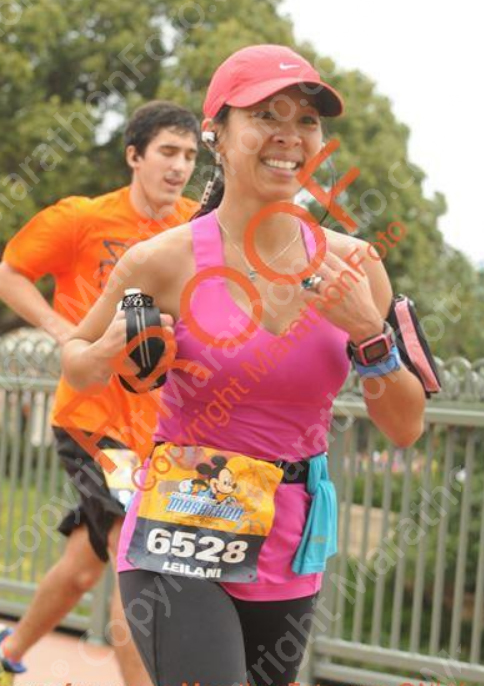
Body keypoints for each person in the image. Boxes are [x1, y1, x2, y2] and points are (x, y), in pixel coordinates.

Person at [61, 45, 431, 685]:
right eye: (265, 115)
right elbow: (76, 361)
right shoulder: (163, 259)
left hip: (290, 543)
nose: (290, 135)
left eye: (307, 121)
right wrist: (104, 351)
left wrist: (370, 334)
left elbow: (406, 427)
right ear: (217, 134)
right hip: (179, 531)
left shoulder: (356, 264)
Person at [0, 101, 200, 686]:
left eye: (189, 155)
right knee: (138, 569)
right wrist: (64, 332)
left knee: (83, 569)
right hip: (93, 421)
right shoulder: (81, 218)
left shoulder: (195, 229)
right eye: (167, 152)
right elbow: (6, 274)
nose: (179, 167)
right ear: (134, 156)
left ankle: (6, 654)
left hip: (162, 432)